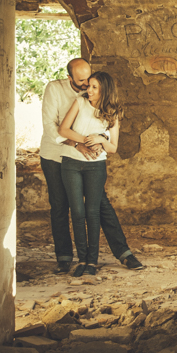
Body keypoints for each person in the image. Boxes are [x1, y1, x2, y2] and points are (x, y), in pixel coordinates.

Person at [39, 58, 144, 273]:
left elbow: (103, 124)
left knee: (100, 205)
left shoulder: (93, 93)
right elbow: (52, 126)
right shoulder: (55, 90)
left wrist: (100, 140)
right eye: (81, 81)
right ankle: (64, 256)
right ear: (69, 78)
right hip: (56, 154)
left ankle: (123, 252)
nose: (87, 85)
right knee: (60, 205)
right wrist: (79, 143)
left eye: (90, 79)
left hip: (87, 159)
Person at [57, 71, 123, 277]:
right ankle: (82, 259)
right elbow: (63, 130)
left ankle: (92, 262)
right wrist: (86, 140)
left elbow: (113, 148)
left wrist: (101, 139)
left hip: (96, 166)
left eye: (94, 87)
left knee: (93, 212)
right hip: (71, 163)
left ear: (105, 90)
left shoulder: (112, 113)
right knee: (77, 212)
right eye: (89, 86)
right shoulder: (79, 102)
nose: (89, 90)